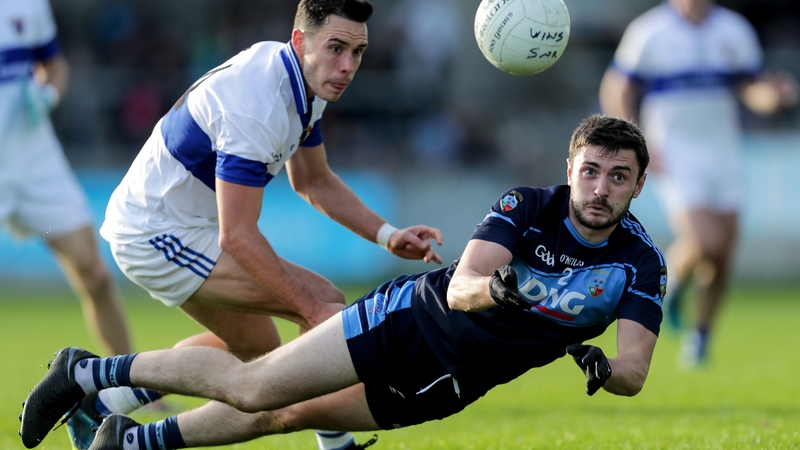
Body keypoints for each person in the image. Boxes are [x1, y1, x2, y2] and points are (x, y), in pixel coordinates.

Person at [20, 114, 667, 450]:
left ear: (639, 185)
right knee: (254, 386)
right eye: (591, 171)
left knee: (284, 414)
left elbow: (635, 370)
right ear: (570, 169)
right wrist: (498, 292)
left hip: (449, 383)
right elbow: (464, 282)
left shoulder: (639, 264)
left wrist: (603, 369)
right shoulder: (529, 204)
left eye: (618, 177)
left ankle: (135, 442)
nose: (600, 188)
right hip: (408, 322)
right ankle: (87, 375)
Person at [62, 1, 443, 449]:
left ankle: (102, 403)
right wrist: (313, 311)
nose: (347, 66)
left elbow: (313, 180)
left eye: (357, 52)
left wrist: (386, 234)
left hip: (183, 225)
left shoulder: (303, 82)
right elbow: (238, 235)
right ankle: (336, 445)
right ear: (300, 41)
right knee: (322, 303)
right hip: (154, 231)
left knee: (259, 350)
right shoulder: (258, 104)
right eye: (336, 48)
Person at [598, 0, 798, 367]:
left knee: (723, 254)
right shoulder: (649, 31)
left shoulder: (732, 30)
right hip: (675, 154)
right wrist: (635, 139)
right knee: (705, 241)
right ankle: (670, 283)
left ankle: (700, 336)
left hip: (724, 153)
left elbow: (752, 90)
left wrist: (774, 96)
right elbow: (617, 87)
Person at [0, 0, 133, 356]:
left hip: (35, 160)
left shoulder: (28, 5)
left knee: (95, 274)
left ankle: (128, 386)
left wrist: (47, 95)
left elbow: (53, 66)